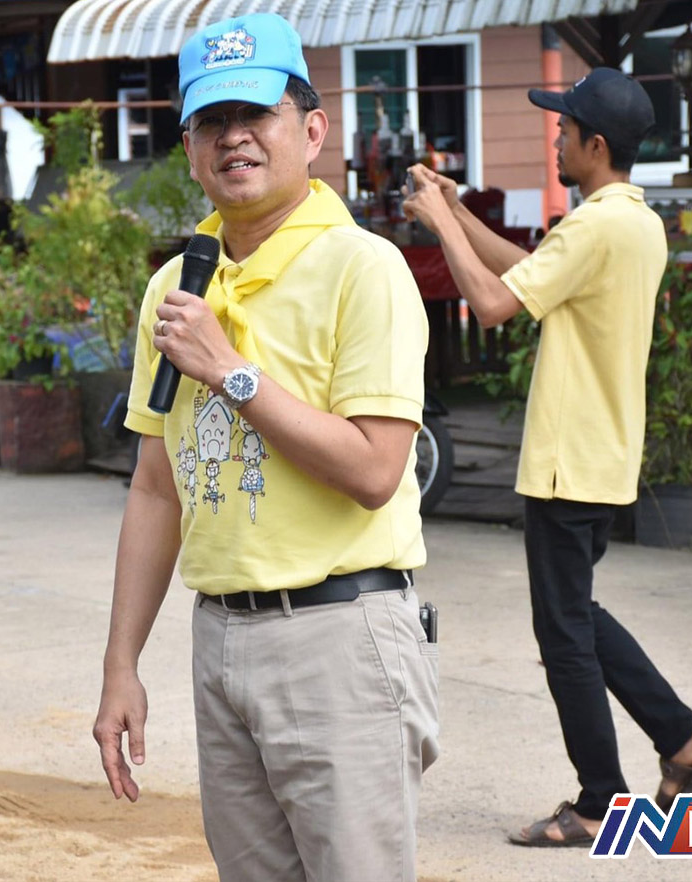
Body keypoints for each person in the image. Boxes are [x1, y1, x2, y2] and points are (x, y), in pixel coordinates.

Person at [92, 13, 439, 881]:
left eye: (256, 113)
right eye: (211, 120)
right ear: (188, 148)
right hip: (220, 638)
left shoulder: (364, 268)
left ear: (312, 131)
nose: (233, 137)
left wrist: (229, 371)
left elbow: (375, 471)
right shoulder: (175, 288)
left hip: (340, 637)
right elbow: (155, 488)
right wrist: (121, 664)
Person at [403, 67, 692, 847]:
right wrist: (457, 209)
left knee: (563, 633)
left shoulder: (595, 228)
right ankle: (686, 740)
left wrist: (439, 224)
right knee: (575, 614)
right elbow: (526, 270)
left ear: (597, 145)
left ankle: (599, 802)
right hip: (601, 453)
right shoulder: (632, 222)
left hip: (566, 457)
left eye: (565, 127)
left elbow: (492, 304)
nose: (556, 137)